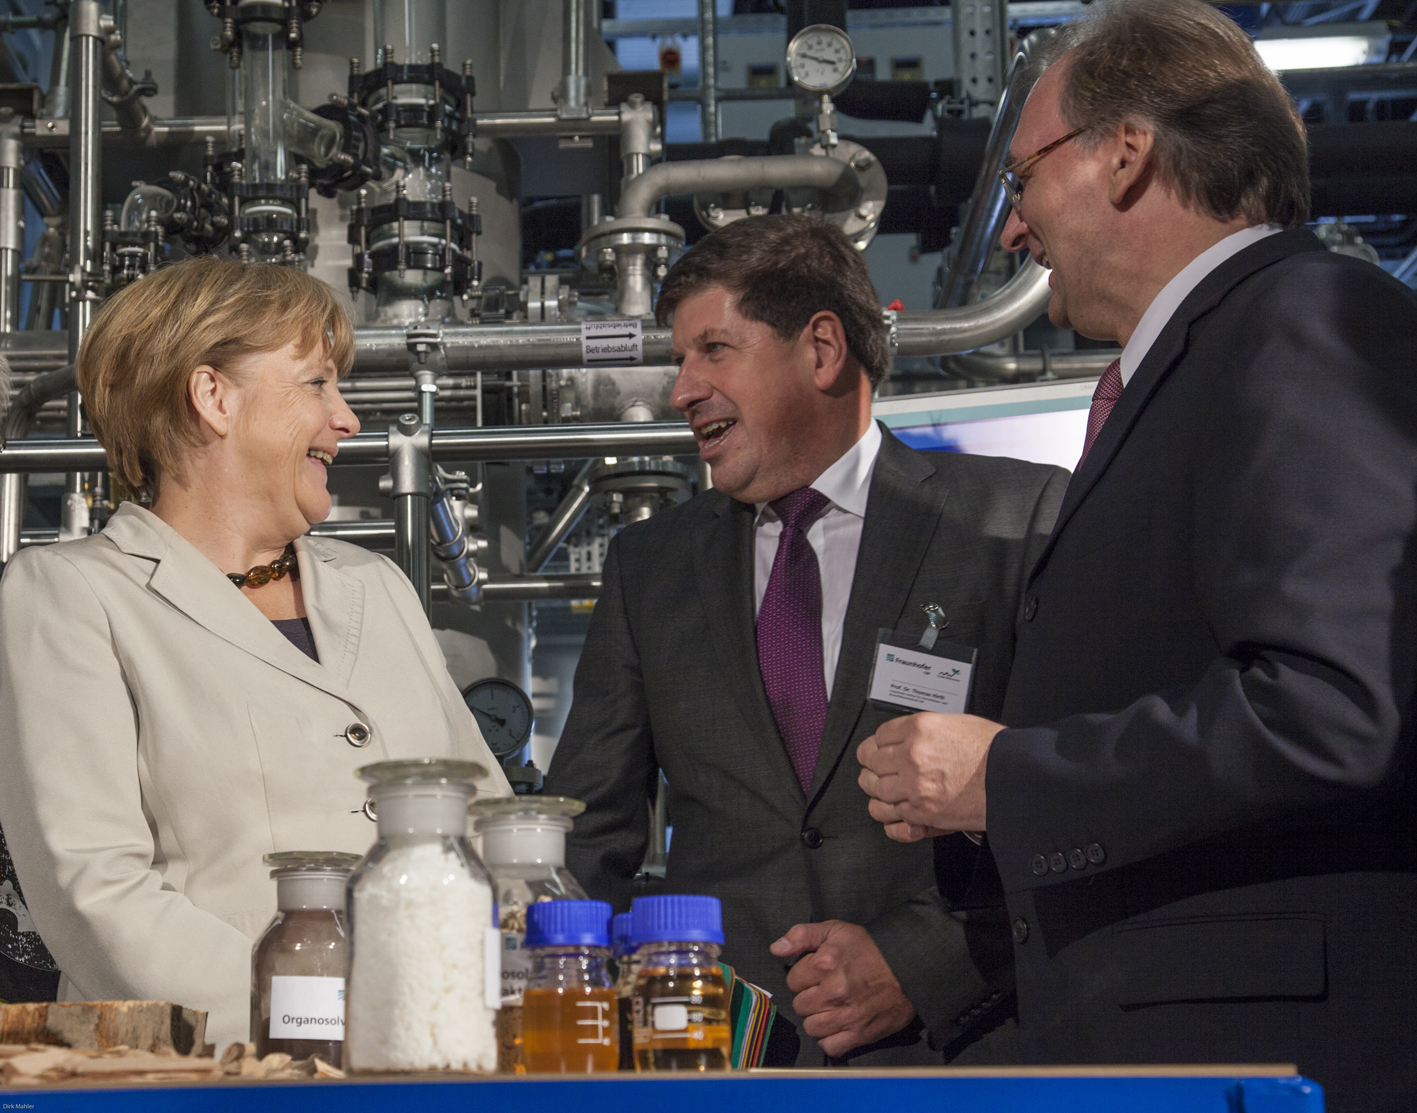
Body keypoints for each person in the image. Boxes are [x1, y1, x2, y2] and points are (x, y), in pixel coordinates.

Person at [854, 4, 1417, 1109]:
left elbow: (1334, 708)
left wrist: (1003, 779)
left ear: (1125, 154)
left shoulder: (1303, 318)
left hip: (1263, 1057)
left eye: (1020, 182)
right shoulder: (1209, 358)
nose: (1012, 231)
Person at [545, 214, 1068, 1066]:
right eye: (680, 360)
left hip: (956, 1051)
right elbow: (585, 840)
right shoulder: (651, 568)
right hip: (717, 1065)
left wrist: (925, 963)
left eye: (712, 350)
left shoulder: (1017, 519)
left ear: (821, 348)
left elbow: (1078, 796)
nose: (681, 389)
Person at [0, 257, 511, 1047]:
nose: (346, 419)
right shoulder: (70, 593)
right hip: (205, 1075)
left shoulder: (374, 585)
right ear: (213, 398)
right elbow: (93, 893)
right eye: (316, 385)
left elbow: (488, 824)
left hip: (436, 1061)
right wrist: (327, 1016)